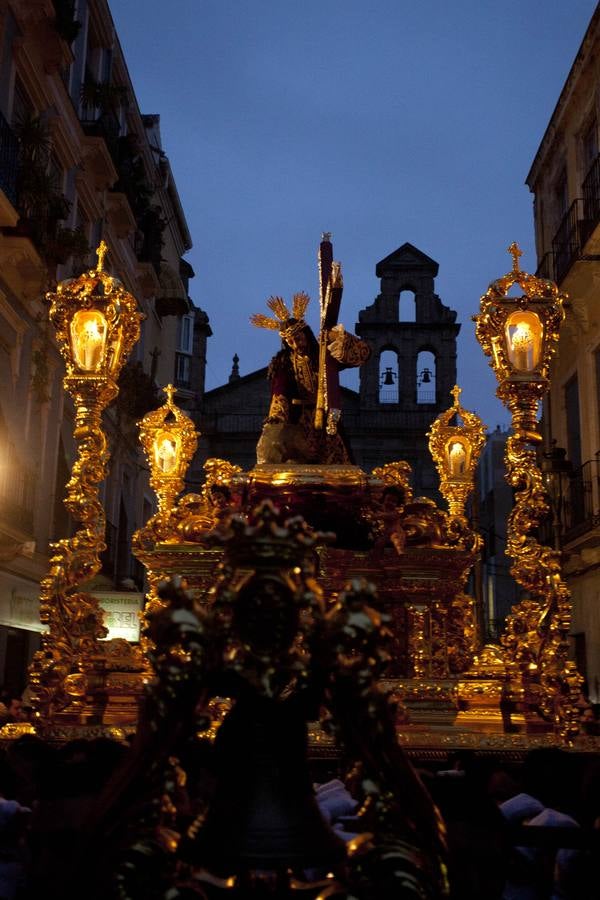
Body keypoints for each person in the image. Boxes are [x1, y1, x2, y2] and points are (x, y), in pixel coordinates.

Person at [251, 293, 370, 465]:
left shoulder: (324, 355)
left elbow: (362, 353)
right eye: (290, 342)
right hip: (298, 423)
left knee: (337, 466)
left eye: (298, 338)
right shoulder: (284, 363)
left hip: (328, 421)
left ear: (305, 334)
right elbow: (280, 391)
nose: (296, 344)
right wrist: (276, 421)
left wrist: (336, 337)